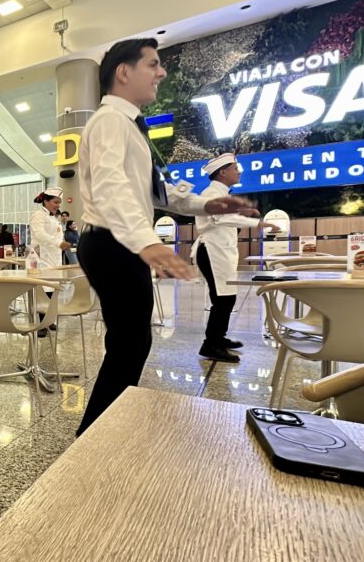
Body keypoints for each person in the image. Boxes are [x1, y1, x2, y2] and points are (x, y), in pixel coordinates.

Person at [75, 38, 258, 436]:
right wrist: (147, 242)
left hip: (116, 242)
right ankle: (95, 436)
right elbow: (110, 187)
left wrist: (207, 206)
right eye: (153, 64)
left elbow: (155, 192)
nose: (161, 73)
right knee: (129, 344)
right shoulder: (109, 121)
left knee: (131, 343)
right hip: (112, 243)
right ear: (124, 72)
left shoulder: (129, 126)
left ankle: (102, 430)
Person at [194, 153, 279, 363]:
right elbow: (222, 217)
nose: (239, 171)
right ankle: (210, 345)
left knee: (226, 297)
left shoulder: (221, 193)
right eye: (235, 168)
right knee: (222, 298)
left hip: (220, 252)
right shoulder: (211, 192)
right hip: (212, 252)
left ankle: (218, 338)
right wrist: (257, 223)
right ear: (222, 172)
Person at [29, 187, 71, 336]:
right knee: (43, 291)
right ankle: (41, 324)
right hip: (42, 259)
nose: (58, 205)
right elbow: (39, 234)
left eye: (59, 202)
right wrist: (58, 244)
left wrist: (61, 244)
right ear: (46, 201)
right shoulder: (38, 215)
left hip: (55, 259)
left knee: (52, 291)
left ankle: (49, 320)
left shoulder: (53, 218)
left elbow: (57, 236)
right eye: (55, 202)